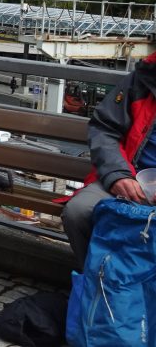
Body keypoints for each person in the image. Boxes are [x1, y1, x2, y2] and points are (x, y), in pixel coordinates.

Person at [61, 53, 156, 271]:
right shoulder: (143, 79)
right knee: (79, 212)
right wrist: (118, 175)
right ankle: (97, 288)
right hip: (130, 176)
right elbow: (105, 129)